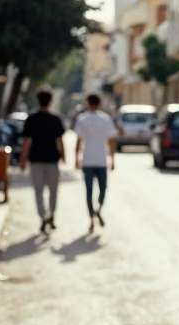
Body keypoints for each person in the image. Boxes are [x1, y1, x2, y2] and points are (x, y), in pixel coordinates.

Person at [20, 89, 66, 233]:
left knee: (38, 191)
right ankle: (51, 214)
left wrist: (23, 159)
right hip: (52, 160)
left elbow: (27, 141)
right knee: (53, 190)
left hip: (36, 160)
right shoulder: (55, 118)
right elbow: (60, 140)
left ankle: (43, 216)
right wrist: (64, 156)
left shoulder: (32, 119)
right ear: (50, 101)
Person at [73, 93, 118, 232]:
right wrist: (113, 159)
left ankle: (92, 215)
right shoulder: (106, 119)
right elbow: (111, 141)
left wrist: (76, 158)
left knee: (89, 191)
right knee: (102, 188)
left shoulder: (82, 119)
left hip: (88, 160)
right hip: (101, 160)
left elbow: (79, 141)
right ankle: (98, 209)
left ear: (87, 102)